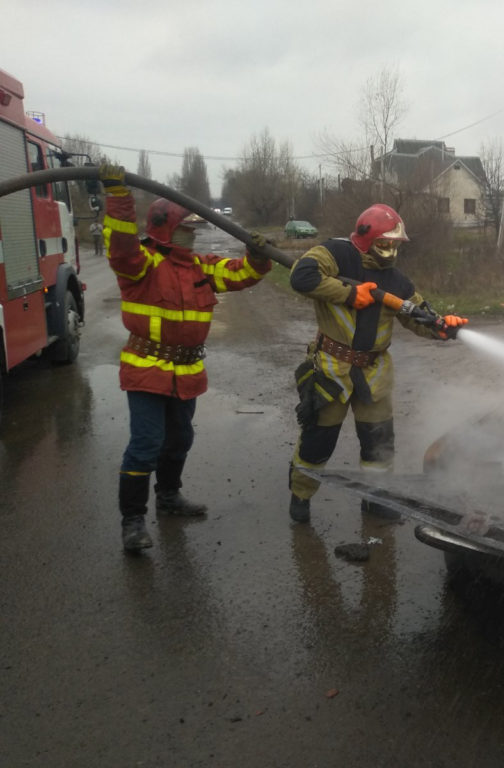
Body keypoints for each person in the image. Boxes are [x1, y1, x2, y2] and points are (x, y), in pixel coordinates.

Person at [98, 164, 273, 552]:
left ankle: (169, 497)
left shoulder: (201, 268)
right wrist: (119, 197)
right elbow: (122, 245)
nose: (192, 235)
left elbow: (243, 273)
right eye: (185, 229)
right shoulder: (141, 264)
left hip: (187, 372)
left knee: (179, 440)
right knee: (145, 444)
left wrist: (258, 256)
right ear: (164, 228)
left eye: (194, 229)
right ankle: (133, 521)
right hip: (147, 371)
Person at [287, 203, 467, 523]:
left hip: (374, 373)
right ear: (367, 238)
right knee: (318, 441)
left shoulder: (397, 282)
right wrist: (348, 293)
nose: (391, 251)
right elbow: (301, 276)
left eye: (395, 245)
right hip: (333, 368)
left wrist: (444, 327)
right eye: (385, 243)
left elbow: (420, 318)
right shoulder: (336, 253)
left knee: (379, 443)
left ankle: (375, 499)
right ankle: (300, 495)